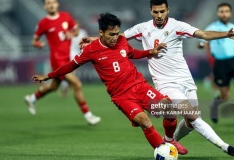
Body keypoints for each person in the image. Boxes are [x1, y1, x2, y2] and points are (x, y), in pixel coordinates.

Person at [81, 0, 234, 157]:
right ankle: (226, 147)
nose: (159, 15)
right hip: (166, 84)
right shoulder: (143, 28)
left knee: (190, 121)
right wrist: (95, 39)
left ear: (168, 10)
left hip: (186, 81)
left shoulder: (177, 26)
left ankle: (169, 141)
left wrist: (226, 34)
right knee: (193, 116)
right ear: (150, 11)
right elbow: (119, 36)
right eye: (155, 12)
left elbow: (202, 34)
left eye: (162, 11)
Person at [31, 12, 173, 151]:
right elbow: (70, 66)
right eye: (111, 34)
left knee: (169, 110)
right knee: (144, 121)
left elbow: (132, 53)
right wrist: (48, 76)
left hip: (139, 86)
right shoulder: (90, 50)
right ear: (101, 32)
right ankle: (164, 152)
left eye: (117, 33)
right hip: (122, 96)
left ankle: (171, 141)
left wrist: (150, 52)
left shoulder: (122, 41)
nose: (115, 38)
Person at [24, 0, 101, 125]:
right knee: (77, 84)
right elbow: (34, 40)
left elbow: (76, 31)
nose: (51, 4)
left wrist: (71, 34)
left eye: (53, 2)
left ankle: (32, 98)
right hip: (57, 60)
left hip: (67, 58)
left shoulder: (66, 16)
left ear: (57, 4)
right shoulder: (43, 23)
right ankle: (88, 115)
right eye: (48, 3)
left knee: (53, 87)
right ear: (45, 6)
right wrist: (39, 44)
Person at [202, 3, 234, 123]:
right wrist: (202, 45)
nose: (224, 13)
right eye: (221, 11)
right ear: (218, 13)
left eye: (226, 11)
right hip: (220, 64)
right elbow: (202, 42)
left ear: (230, 13)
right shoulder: (211, 28)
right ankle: (215, 106)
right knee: (225, 97)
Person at [59, 27, 89, 97]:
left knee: (68, 74)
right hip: (74, 55)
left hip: (68, 54)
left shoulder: (67, 32)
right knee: (71, 74)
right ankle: (65, 86)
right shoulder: (81, 32)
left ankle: (65, 86)